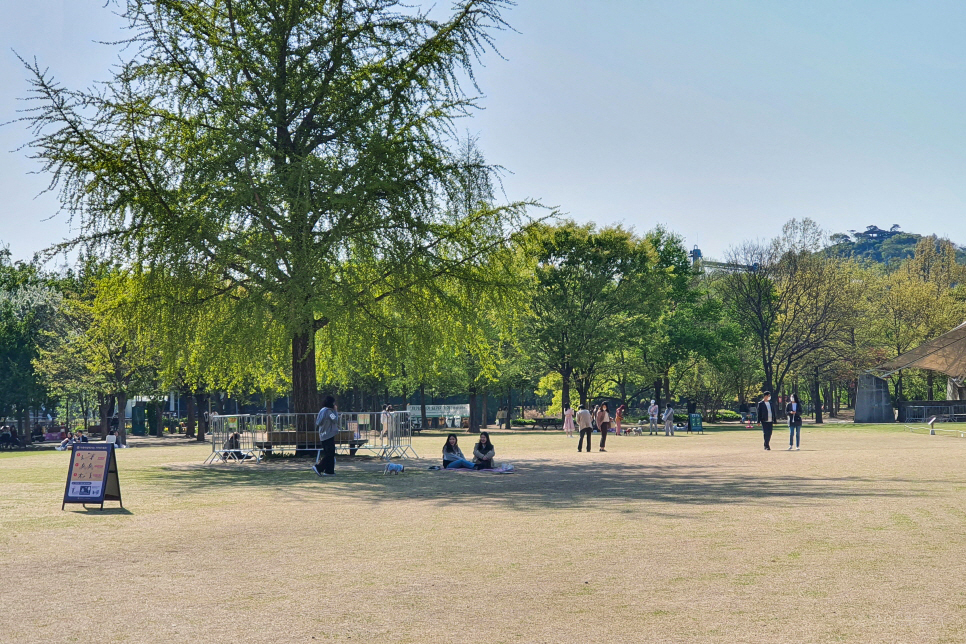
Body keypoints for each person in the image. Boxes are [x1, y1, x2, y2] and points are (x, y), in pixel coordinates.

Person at [313, 395, 340, 477]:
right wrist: (335, 411)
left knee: (330, 453)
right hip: (328, 434)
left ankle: (329, 471)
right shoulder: (328, 411)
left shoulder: (322, 410)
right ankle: (319, 467)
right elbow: (335, 419)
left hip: (323, 434)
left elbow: (318, 422)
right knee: (330, 453)